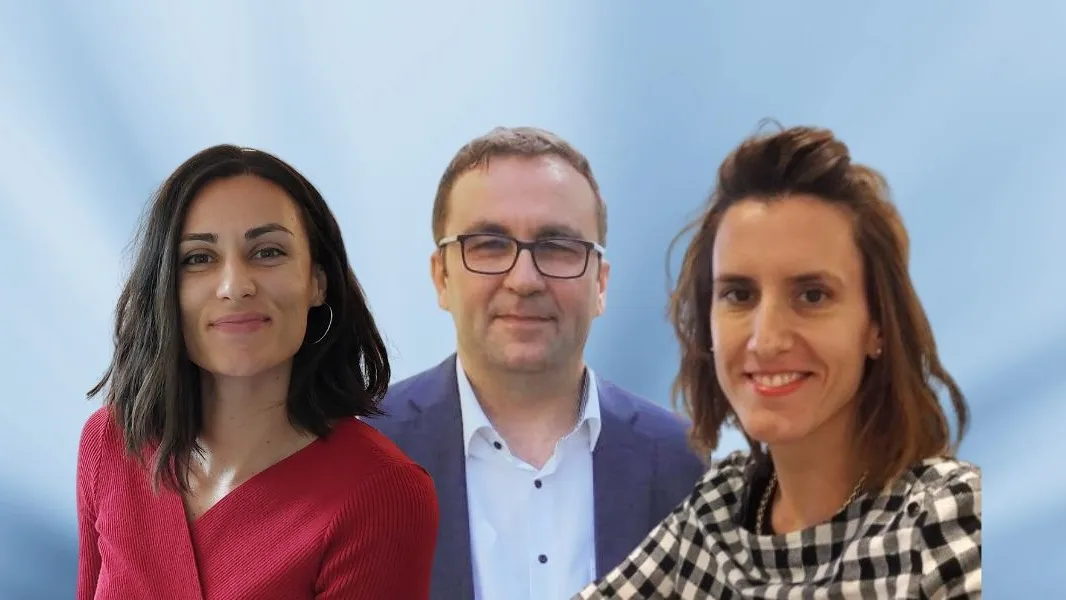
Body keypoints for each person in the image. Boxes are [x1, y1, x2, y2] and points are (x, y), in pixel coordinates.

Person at [575, 125, 982, 599]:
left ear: (877, 327)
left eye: (812, 295)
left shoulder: (947, 521)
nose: (766, 341)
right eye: (739, 294)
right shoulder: (716, 511)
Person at [76, 145, 439, 600]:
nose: (235, 286)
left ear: (318, 282)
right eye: (198, 258)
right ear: (163, 286)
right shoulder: (110, 442)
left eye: (267, 252)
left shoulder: (383, 494)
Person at [364, 126, 706, 600]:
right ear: (441, 277)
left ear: (600, 284)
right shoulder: (358, 461)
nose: (523, 280)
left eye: (557, 247)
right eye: (489, 245)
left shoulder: (683, 465)